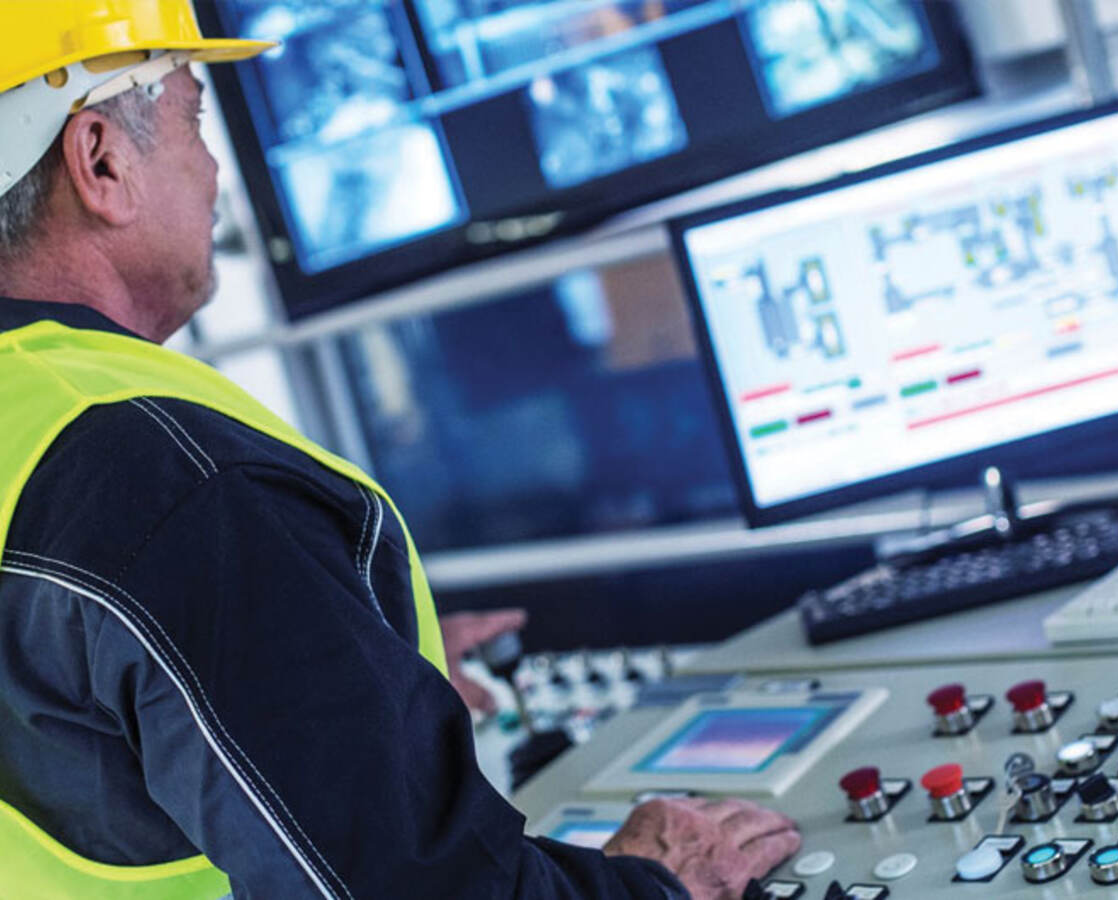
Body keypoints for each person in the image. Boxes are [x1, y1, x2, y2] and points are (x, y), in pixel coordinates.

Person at [0, 3, 802, 898]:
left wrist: (340, 664)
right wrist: (657, 884)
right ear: (101, 160)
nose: (215, 167)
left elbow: (68, 728)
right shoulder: (173, 482)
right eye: (194, 116)